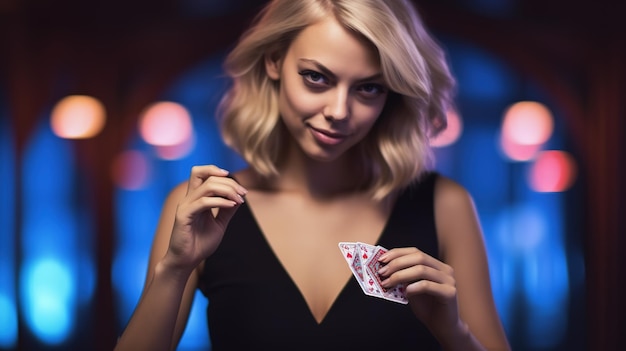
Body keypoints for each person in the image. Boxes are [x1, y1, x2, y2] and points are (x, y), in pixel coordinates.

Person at [115, 0, 511, 350]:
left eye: (369, 88)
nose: (339, 111)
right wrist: (174, 270)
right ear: (274, 61)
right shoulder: (201, 209)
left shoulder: (444, 205)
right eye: (317, 77)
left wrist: (454, 332)